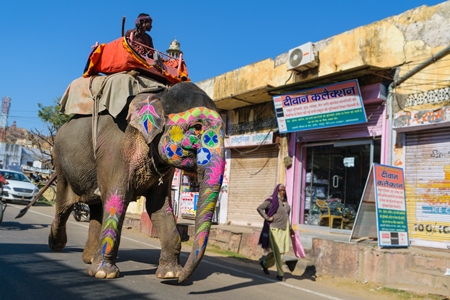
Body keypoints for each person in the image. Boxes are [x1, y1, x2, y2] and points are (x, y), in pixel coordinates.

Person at [257, 183, 293, 281]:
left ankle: (265, 264)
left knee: (280, 250)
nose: (282, 192)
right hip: (274, 229)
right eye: (280, 190)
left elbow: (287, 217)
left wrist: (290, 229)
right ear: (276, 191)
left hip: (284, 229)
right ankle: (280, 274)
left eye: (283, 190)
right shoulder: (272, 200)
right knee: (279, 252)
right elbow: (260, 208)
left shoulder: (286, 203)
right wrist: (267, 217)